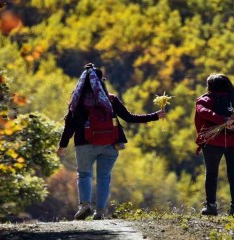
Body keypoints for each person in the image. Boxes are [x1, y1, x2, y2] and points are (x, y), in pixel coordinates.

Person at [57, 63, 166, 220]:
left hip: (84, 144)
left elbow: (69, 126)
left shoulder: (77, 101)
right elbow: (129, 118)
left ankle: (85, 205)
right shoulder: (110, 99)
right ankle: (100, 212)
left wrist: (62, 146)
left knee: (85, 174)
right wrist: (155, 116)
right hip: (110, 144)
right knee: (104, 177)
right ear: (101, 81)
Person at [194, 74, 234, 216]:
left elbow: (202, 111)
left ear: (210, 87)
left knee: (211, 173)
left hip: (212, 141)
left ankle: (211, 206)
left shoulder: (206, 100)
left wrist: (221, 120)